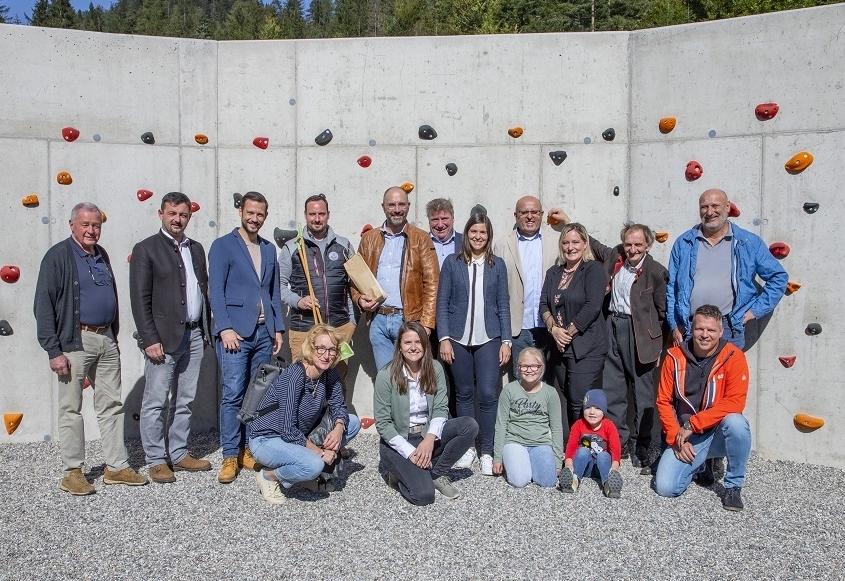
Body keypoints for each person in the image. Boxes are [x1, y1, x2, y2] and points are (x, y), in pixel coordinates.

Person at [34, 202, 148, 495]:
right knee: (71, 408)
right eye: (85, 224)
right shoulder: (58, 256)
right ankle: (72, 471)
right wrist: (53, 350)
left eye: (96, 225)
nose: (91, 230)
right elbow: (43, 305)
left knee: (111, 405)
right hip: (75, 340)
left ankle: (116, 466)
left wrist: (113, 336)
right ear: (72, 224)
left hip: (106, 338)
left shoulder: (101, 254)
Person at [550, 211, 668, 472]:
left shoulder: (657, 272)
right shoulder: (616, 256)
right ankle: (619, 442)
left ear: (648, 245)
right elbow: (590, 243)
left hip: (640, 333)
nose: (633, 249)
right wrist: (569, 221)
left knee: (642, 392)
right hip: (611, 325)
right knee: (613, 389)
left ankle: (641, 444)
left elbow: (663, 312)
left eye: (638, 245)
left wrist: (659, 344)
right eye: (628, 244)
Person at [129, 192, 213, 483]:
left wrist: (205, 331)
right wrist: (149, 339)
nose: (177, 219)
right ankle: (155, 459)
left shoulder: (196, 248)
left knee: (185, 400)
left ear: (189, 216)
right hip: (162, 340)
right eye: (172, 214)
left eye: (183, 215)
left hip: (194, 334)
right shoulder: (146, 249)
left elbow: (202, 290)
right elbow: (139, 299)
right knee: (155, 401)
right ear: (161, 214)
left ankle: (178, 453)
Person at [209, 191, 285, 484]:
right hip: (236, 335)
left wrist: (277, 328)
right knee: (233, 394)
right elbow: (216, 292)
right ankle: (230, 454)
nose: (254, 218)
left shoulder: (268, 249)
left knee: (258, 394)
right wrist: (225, 328)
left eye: (260, 214)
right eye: (250, 213)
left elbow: (273, 292)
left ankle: (249, 448)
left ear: (266, 216)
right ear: (241, 211)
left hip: (264, 334)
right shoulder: (223, 246)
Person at [653, 305, 752, 511]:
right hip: (687, 436)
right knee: (665, 487)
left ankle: (733, 486)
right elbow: (664, 402)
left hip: (716, 433)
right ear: (691, 328)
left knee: (737, 423)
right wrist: (676, 438)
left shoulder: (734, 357)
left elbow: (735, 402)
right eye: (700, 329)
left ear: (721, 331)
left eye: (711, 330)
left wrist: (693, 424)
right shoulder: (674, 357)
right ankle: (700, 465)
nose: (705, 335)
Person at [249, 325, 361, 504]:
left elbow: (338, 404)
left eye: (332, 350)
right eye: (321, 348)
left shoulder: (330, 371)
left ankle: (305, 474)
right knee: (314, 464)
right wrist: (320, 453)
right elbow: (287, 429)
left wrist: (338, 428)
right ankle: (269, 476)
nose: (326, 355)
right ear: (310, 348)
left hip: (298, 434)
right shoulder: (294, 376)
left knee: (352, 422)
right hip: (267, 439)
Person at [436, 211, 511, 475]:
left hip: (489, 338)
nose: (478, 236)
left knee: (488, 395)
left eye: (483, 232)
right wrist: (444, 338)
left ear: (488, 236)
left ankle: (487, 450)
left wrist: (506, 340)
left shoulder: (497, 265)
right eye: (473, 231)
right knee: (464, 393)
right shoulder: (452, 262)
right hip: (457, 338)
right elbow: (442, 302)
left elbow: (503, 303)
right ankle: (467, 448)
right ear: (466, 234)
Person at [667, 188, 787, 351]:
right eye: (704, 207)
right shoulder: (684, 243)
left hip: (729, 327)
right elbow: (672, 287)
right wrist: (675, 324)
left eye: (715, 206)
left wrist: (754, 311)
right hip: (691, 326)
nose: (709, 212)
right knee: (689, 369)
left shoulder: (748, 242)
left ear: (728, 207)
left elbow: (778, 277)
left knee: (728, 369)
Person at [374, 322, 478, 506]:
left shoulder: (435, 368)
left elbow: (440, 408)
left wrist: (429, 439)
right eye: (407, 342)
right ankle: (398, 473)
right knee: (423, 497)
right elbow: (383, 423)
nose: (413, 347)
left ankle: (435, 474)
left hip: (426, 434)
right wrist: (411, 453)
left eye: (418, 342)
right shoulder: (386, 375)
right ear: (399, 347)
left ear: (425, 344)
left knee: (469, 426)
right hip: (400, 440)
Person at [352, 186, 439, 370]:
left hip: (410, 321)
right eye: (391, 205)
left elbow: (432, 283)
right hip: (378, 321)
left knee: (412, 378)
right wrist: (359, 300)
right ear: (383, 207)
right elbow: (355, 278)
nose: (397, 209)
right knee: (386, 378)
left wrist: (426, 324)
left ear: (408, 206)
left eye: (401, 204)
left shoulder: (422, 239)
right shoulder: (369, 239)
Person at [278, 193, 356, 388]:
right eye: (312, 214)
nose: (317, 218)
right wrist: (298, 301)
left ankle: (335, 411)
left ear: (328, 214)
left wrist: (352, 322)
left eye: (321, 214)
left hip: (338, 328)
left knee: (337, 385)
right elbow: (278, 286)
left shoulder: (344, 245)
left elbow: (354, 286)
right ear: (305, 215)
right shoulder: (292, 247)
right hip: (304, 329)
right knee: (302, 383)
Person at [539, 223, 609, 425]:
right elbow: (543, 304)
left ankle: (582, 441)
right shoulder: (554, 272)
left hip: (586, 346)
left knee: (579, 399)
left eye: (576, 242)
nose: (570, 247)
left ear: (585, 244)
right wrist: (554, 330)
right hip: (559, 347)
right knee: (564, 397)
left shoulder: (593, 270)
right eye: (566, 242)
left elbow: (592, 306)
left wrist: (566, 334)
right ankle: (567, 440)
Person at [492, 196, 560, 380]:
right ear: (516, 216)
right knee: (522, 379)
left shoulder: (556, 242)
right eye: (524, 213)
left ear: (542, 214)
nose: (530, 217)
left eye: (534, 212)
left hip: (549, 325)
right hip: (518, 327)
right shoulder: (502, 245)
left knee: (548, 380)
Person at [492, 347, 564, 488]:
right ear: (518, 368)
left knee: (548, 481)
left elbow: (556, 427)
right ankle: (518, 462)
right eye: (524, 366)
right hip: (514, 441)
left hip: (541, 442)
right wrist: (497, 458)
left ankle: (528, 463)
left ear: (541, 367)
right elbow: (501, 424)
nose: (529, 370)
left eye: (534, 366)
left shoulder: (550, 393)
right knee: (519, 481)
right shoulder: (509, 390)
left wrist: (557, 461)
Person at [559, 389, 623, 498]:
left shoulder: (609, 426)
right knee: (583, 451)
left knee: (603, 456)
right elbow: (571, 446)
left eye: (597, 408)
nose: (592, 412)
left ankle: (608, 484)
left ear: (604, 411)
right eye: (588, 407)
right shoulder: (579, 424)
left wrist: (614, 467)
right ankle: (574, 480)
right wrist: (568, 465)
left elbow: (615, 448)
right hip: (585, 467)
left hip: (601, 467)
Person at [426, 197, 462, 268]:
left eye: (444, 219)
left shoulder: (466, 242)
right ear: (429, 222)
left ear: (453, 219)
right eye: (435, 220)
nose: (440, 225)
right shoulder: (420, 244)